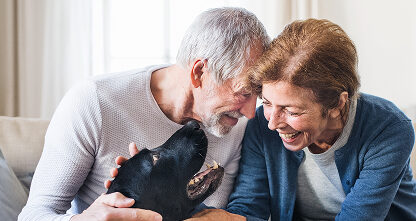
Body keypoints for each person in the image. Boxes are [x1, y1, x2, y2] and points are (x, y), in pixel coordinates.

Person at [18, 7, 270, 221]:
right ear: (199, 72)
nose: (250, 113)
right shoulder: (95, 101)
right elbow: (34, 214)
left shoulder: (234, 122)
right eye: (243, 93)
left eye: (256, 96)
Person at [222, 19, 416, 220]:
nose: (273, 123)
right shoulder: (262, 123)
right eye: (267, 102)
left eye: (292, 111)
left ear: (337, 104)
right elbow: (248, 206)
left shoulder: (389, 129)